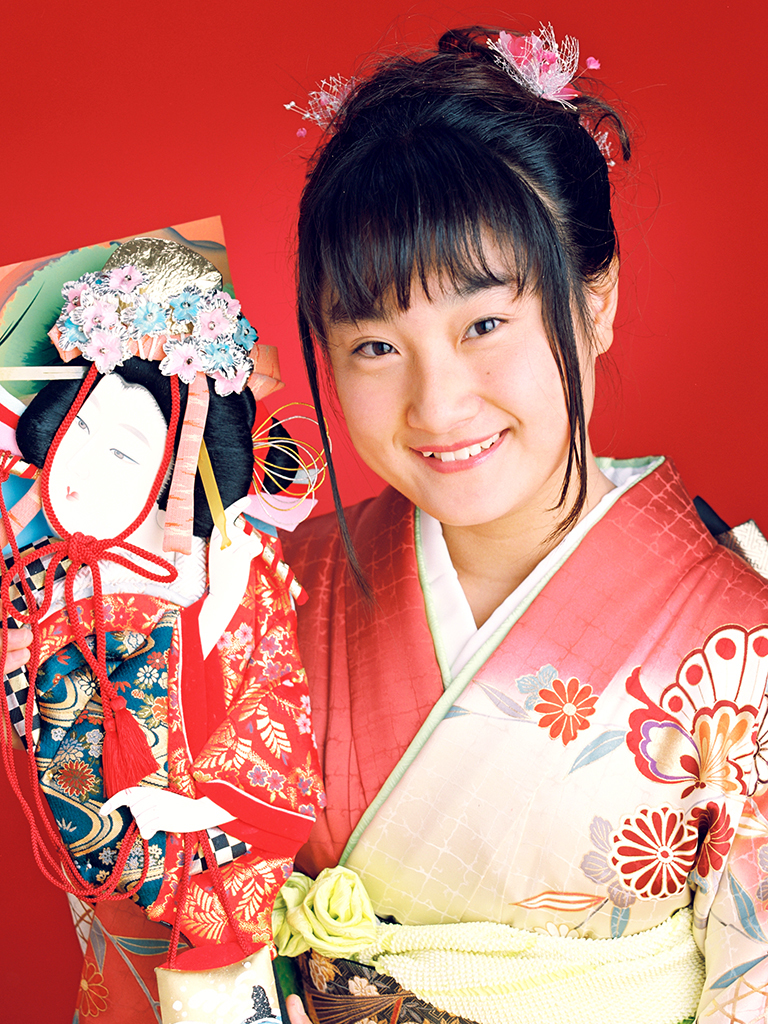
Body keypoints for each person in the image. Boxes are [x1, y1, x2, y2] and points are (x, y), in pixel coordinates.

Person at [275, 24, 768, 1024]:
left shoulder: (738, 645)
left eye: (485, 324)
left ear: (596, 301)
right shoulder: (271, 590)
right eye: (375, 345)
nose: (438, 404)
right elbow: (173, 903)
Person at [0, 237, 323, 1023]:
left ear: (179, 471)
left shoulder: (232, 573)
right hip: (94, 890)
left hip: (200, 878)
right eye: (78, 431)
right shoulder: (34, 578)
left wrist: (200, 807)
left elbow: (276, 711)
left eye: (121, 449)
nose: (81, 467)